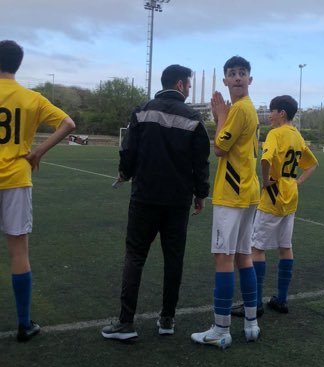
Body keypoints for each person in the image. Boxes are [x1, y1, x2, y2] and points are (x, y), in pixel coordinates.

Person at [102, 64, 210, 341]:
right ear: (179, 84)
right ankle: (167, 319)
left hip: (145, 197)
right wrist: (200, 194)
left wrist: (125, 173)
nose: (188, 88)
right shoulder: (193, 118)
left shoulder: (141, 110)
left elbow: (128, 150)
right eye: (187, 84)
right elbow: (200, 162)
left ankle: (126, 323)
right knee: (173, 259)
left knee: (135, 256)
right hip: (177, 200)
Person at [0, 40, 76, 342]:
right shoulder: (32, 97)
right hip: (17, 178)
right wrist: (38, 152)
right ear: (18, 65)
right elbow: (68, 123)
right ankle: (24, 324)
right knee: (18, 251)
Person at [191, 56, 260, 349]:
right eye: (232, 74)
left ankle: (221, 329)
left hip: (232, 193)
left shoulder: (239, 110)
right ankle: (251, 323)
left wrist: (220, 115)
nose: (237, 78)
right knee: (243, 256)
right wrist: (224, 114)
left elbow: (219, 148)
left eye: (242, 73)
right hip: (248, 191)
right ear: (225, 80)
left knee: (223, 257)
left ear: (250, 80)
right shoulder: (248, 108)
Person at [249, 95, 318, 315]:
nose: (269, 114)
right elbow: (312, 164)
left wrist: (266, 179)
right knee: (285, 247)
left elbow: (265, 159)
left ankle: (256, 302)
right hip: (291, 195)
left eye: (272, 110)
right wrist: (297, 181)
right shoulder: (297, 136)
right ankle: (282, 299)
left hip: (273, 195)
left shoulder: (275, 134)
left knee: (257, 248)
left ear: (282, 113)